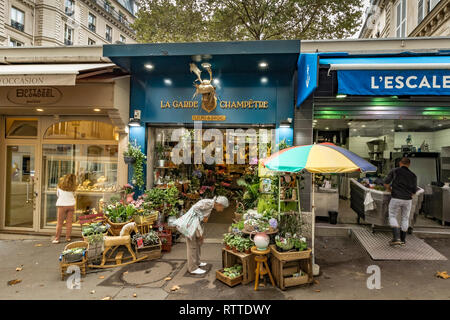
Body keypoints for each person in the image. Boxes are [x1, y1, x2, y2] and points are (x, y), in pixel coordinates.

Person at [174, 196, 229, 275]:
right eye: (223, 207)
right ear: (219, 204)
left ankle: (197, 262)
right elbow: (195, 208)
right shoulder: (209, 203)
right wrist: (202, 217)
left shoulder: (211, 205)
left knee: (198, 243)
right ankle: (192, 268)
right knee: (192, 246)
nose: (222, 210)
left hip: (196, 225)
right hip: (190, 225)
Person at [384, 157, 417, 246]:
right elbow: (414, 191)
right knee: (405, 218)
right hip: (408, 200)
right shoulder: (413, 175)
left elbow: (386, 183)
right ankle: (403, 240)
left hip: (396, 198)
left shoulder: (395, 171)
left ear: (400, 163)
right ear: (409, 164)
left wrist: (390, 190)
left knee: (392, 216)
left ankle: (396, 238)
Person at [52, 174, 77, 244]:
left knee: (60, 223)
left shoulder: (60, 187)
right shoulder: (73, 188)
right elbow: (75, 195)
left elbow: (58, 195)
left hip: (62, 205)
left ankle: (57, 238)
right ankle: (68, 237)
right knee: (69, 222)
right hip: (71, 205)